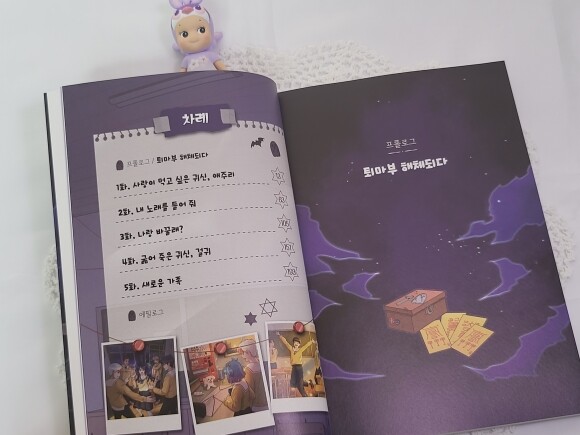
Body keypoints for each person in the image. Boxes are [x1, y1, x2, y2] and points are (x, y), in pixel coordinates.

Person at [277, 332, 315, 397]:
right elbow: (285, 342)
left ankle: (305, 396)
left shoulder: (300, 350)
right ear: (293, 343)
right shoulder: (291, 349)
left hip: (299, 368)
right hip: (294, 367)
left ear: (299, 344)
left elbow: (306, 345)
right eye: (295, 342)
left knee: (299, 385)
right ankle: (309, 382)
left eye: (297, 343)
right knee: (293, 383)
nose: (296, 343)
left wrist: (311, 341)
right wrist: (280, 336)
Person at [239, 338, 268, 410]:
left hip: (257, 405)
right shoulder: (261, 363)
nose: (242, 356)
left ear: (249, 352)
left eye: (243, 353)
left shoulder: (249, 369)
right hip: (266, 402)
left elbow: (249, 392)